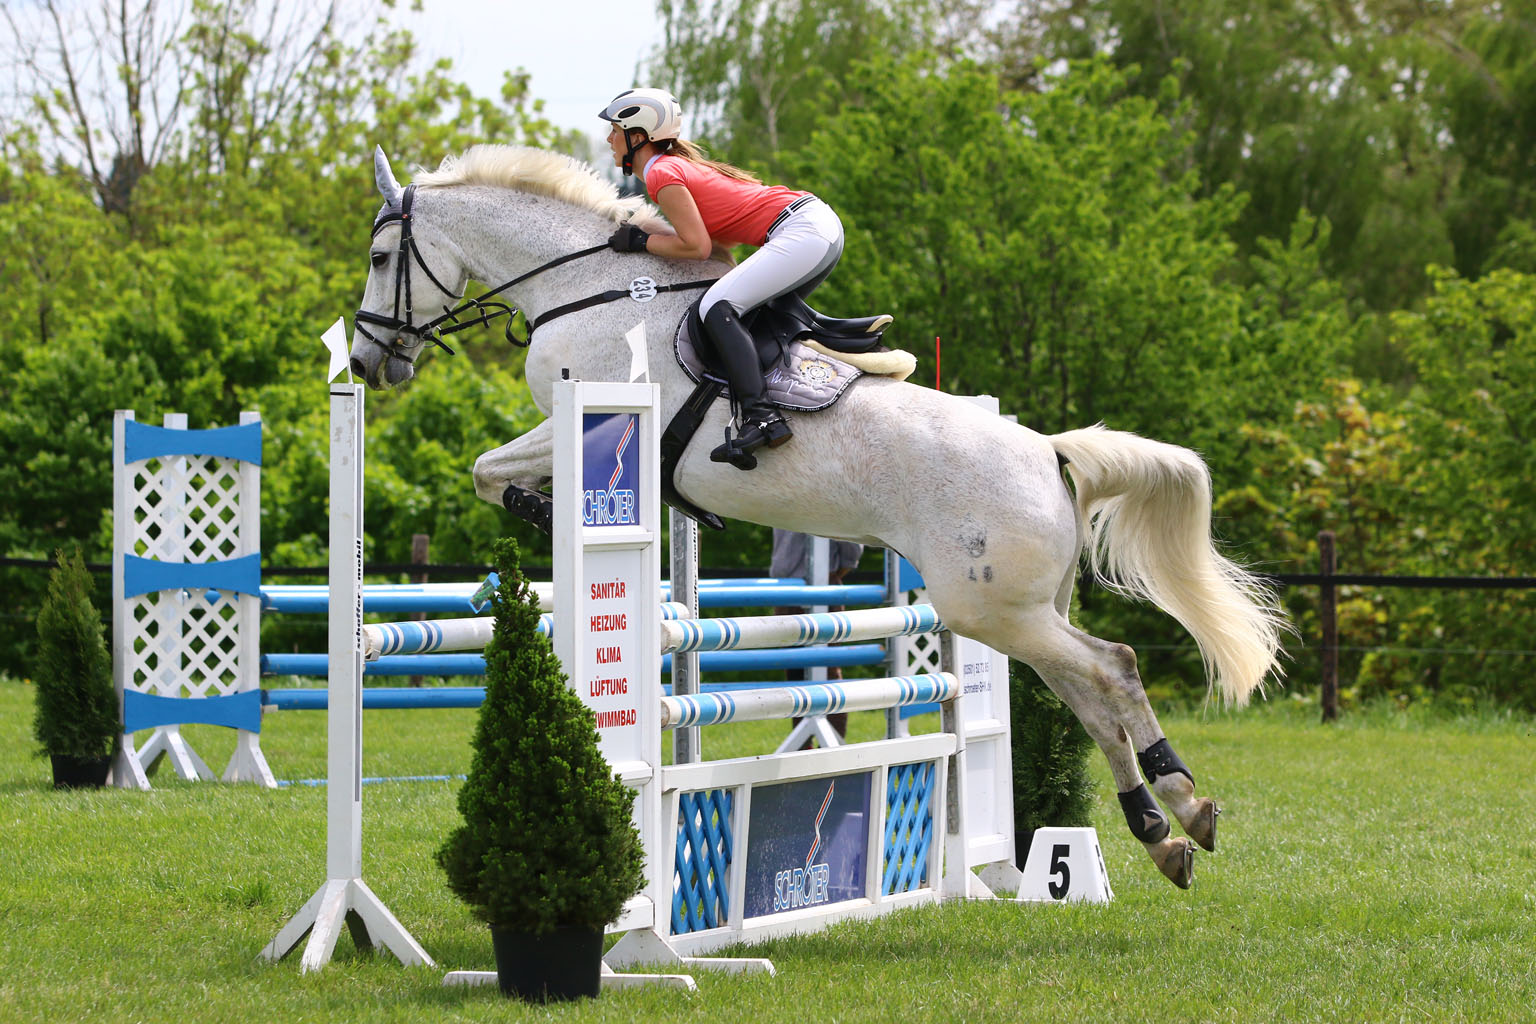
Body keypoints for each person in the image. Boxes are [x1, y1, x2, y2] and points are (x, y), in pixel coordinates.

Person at [598, 87, 884, 469]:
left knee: (717, 308)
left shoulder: (662, 174)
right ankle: (842, 338)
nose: (609, 139)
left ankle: (761, 417)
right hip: (816, 226)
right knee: (759, 313)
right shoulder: (675, 166)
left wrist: (641, 241)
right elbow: (719, 239)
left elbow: (697, 247)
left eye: (615, 130)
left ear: (637, 136)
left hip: (804, 230)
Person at [772, 528, 864, 746]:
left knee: (827, 671)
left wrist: (839, 569)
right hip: (787, 588)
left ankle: (832, 744)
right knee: (795, 674)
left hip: (820, 584)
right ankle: (803, 745)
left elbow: (852, 542)